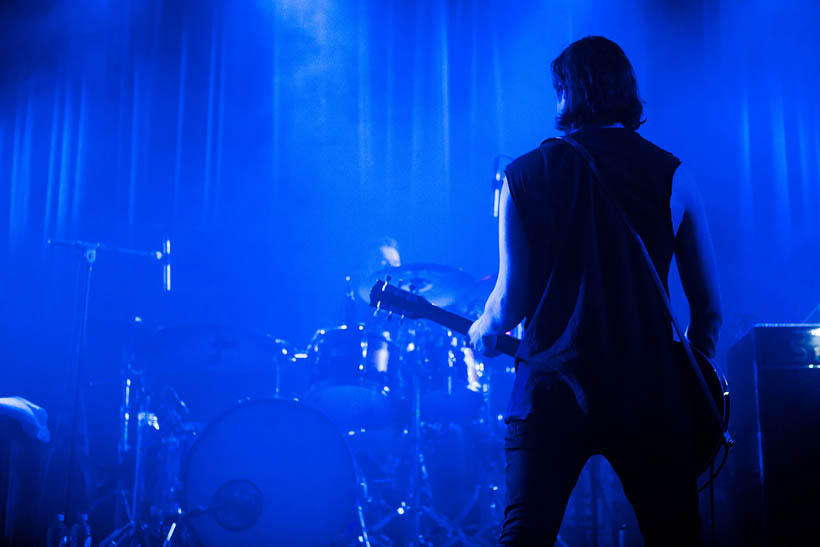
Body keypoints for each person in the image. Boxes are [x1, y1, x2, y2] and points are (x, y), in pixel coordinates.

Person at [468, 36, 722, 545]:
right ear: (626, 90)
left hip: (552, 389)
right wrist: (688, 376)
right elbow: (709, 310)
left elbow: (510, 299)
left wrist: (483, 329)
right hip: (649, 391)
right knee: (676, 535)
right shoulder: (675, 174)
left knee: (525, 535)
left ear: (564, 92)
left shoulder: (520, 176)